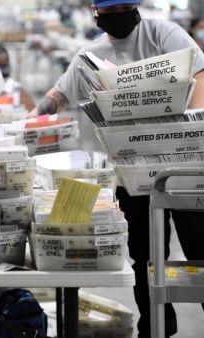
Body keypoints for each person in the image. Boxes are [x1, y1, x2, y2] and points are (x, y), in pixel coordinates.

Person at [31, 1, 204, 337]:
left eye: (123, 7)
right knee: (145, 259)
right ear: (97, 14)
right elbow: (57, 96)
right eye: (110, 11)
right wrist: (26, 125)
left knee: (199, 252)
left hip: (181, 166)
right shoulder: (90, 54)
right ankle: (156, 329)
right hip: (131, 171)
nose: (117, 16)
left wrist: (195, 126)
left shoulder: (161, 34)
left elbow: (199, 72)